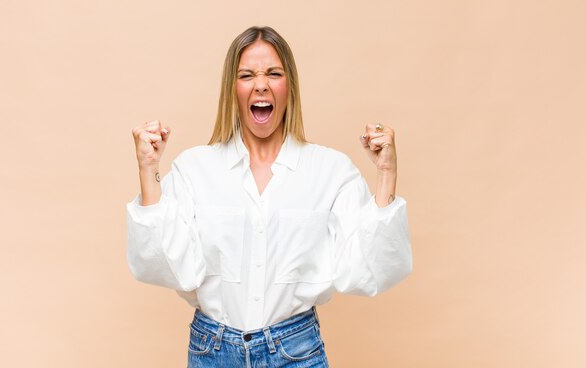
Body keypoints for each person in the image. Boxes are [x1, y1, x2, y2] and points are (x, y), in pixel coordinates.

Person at [126, 26, 412, 368]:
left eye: (273, 73)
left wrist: (386, 174)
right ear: (232, 90)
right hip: (212, 352)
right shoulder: (194, 169)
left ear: (289, 87)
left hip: (296, 352)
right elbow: (165, 266)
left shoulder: (330, 171)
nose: (261, 84)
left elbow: (369, 269)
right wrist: (148, 168)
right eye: (247, 75)